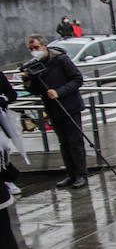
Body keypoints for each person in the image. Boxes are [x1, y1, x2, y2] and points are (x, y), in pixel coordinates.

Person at [21, 34, 86, 188]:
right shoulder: (35, 65)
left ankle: (81, 175)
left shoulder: (60, 59)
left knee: (75, 142)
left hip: (69, 107)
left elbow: (77, 79)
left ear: (44, 46)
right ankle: (71, 174)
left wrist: (59, 92)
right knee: (64, 143)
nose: (34, 51)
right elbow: (36, 90)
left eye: (36, 47)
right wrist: (28, 81)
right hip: (53, 109)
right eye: (31, 49)